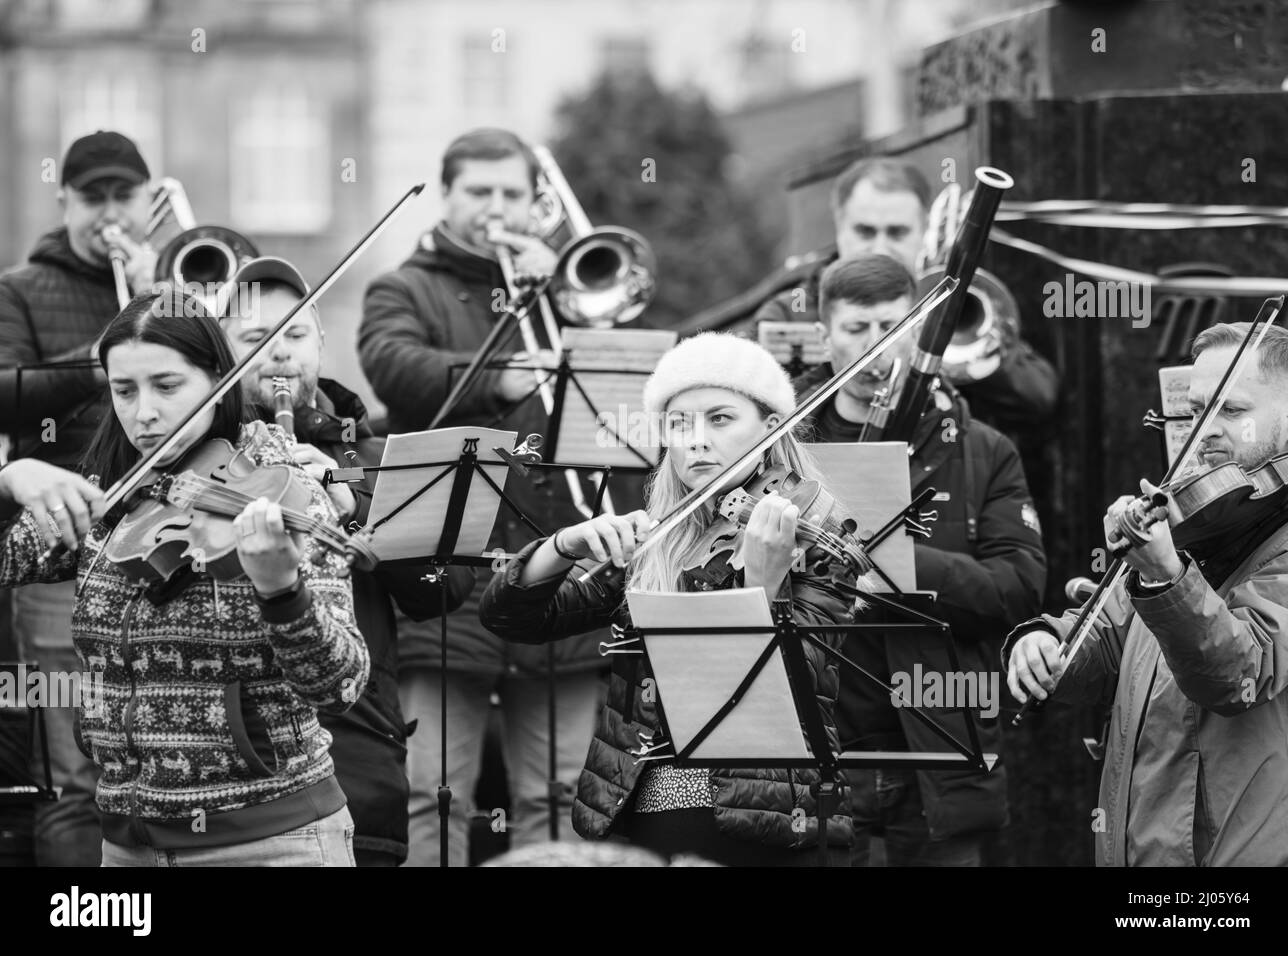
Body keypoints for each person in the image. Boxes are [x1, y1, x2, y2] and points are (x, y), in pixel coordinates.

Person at [0, 289, 369, 866]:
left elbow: (339, 686)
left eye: (167, 386)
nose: (143, 412)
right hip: (126, 845)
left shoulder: (283, 488)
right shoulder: (109, 497)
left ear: (219, 379)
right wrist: (10, 477)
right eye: (124, 390)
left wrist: (282, 592)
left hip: (270, 842)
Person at [479, 332, 855, 866]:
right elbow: (512, 618)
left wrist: (762, 588)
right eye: (679, 424)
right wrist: (563, 545)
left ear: (771, 428)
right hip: (644, 808)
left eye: (720, 419)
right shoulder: (659, 539)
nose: (696, 440)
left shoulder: (816, 530)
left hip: (767, 818)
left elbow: (800, 685)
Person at [357, 127, 603, 866]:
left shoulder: (570, 295)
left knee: (559, 795)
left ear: (536, 203)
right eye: (479, 192)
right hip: (450, 576)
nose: (496, 209)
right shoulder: (404, 286)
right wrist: (494, 375)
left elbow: (625, 392)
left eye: (511, 194)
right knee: (434, 794)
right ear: (448, 196)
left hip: (557, 572)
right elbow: (392, 366)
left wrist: (564, 293)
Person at [1005, 322, 1288, 866]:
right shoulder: (1196, 519)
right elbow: (1109, 634)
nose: (1205, 430)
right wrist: (1050, 642)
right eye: (1194, 413)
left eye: (1230, 411)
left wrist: (1168, 576)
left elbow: (1238, 676)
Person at [218, 256, 474, 865]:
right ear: (222, 355)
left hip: (358, 740)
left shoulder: (372, 453)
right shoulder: (209, 458)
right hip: (241, 750)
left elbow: (446, 587)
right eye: (256, 340)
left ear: (321, 343)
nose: (280, 354)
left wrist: (349, 505)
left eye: (295, 335)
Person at [793, 255, 1046, 865]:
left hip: (939, 747)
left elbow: (1018, 589)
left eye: (888, 327)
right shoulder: (784, 449)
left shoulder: (984, 450)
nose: (872, 347)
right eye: (855, 329)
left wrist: (900, 564)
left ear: (917, 333)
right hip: (819, 752)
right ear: (824, 335)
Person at [0, 130, 160, 866]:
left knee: (165, 764)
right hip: (58, 554)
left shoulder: (174, 285)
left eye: (123, 195)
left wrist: (164, 300)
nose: (108, 213)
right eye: (91, 197)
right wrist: (105, 359)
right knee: (74, 775)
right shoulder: (20, 288)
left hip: (168, 543)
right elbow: (6, 393)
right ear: (63, 199)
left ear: (147, 198)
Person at [754, 156, 1058, 434]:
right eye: (865, 231)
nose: (880, 247)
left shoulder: (951, 299)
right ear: (839, 228)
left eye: (897, 232)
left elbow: (1037, 397)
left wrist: (952, 353)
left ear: (923, 230)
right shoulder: (789, 312)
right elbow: (755, 414)